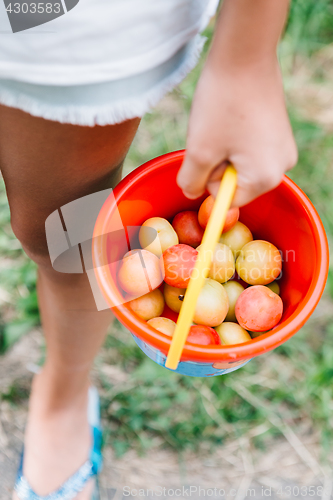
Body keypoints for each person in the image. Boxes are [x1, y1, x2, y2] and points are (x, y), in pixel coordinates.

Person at [0, 0, 297, 499]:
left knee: (62, 236)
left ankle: (64, 395)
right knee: (68, 234)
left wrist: (247, 56)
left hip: (65, 29)